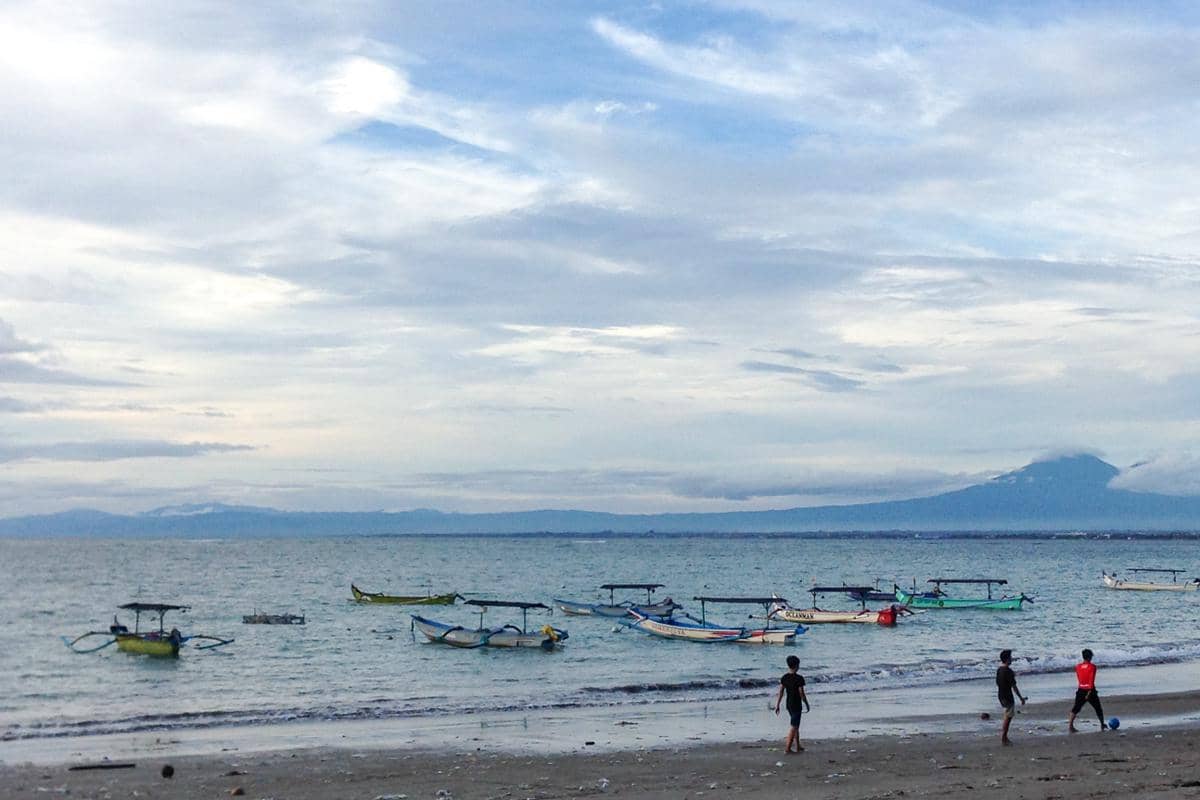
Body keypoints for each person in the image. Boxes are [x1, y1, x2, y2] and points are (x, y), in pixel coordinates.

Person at [773, 654, 811, 753]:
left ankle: (798, 746)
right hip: (797, 704)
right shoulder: (799, 678)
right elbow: (802, 693)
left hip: (788, 704)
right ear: (797, 665)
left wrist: (777, 705)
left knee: (796, 725)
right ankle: (788, 748)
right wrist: (806, 704)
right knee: (794, 726)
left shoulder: (784, 677)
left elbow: (781, 692)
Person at [1068, 648, 1107, 732]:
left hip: (1081, 688)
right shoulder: (1092, 667)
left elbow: (1079, 678)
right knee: (1098, 708)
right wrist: (1089, 692)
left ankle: (1070, 725)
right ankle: (1102, 724)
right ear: (1090, 657)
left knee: (1076, 708)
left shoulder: (1078, 667)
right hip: (1090, 690)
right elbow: (1091, 680)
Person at [996, 648, 1027, 745]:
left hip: (1000, 695)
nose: (1012, 659)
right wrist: (1021, 698)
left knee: (1006, 715)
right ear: (1007, 659)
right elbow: (1014, 686)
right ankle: (1004, 738)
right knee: (1008, 717)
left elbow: (998, 682)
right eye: (1010, 657)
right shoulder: (1008, 671)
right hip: (1008, 696)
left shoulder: (999, 669)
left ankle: (1004, 737)